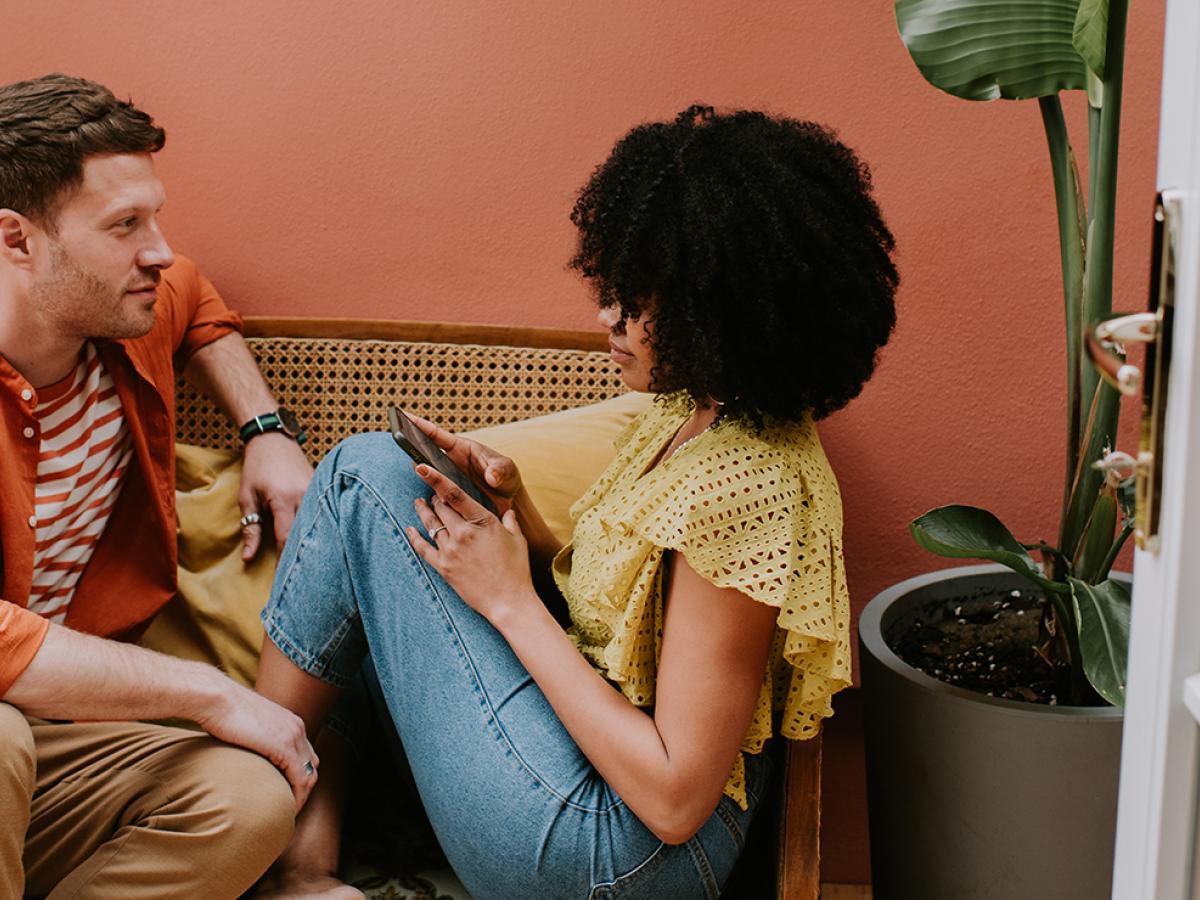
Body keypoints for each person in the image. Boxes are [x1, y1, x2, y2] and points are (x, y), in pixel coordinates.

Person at [254, 105, 898, 899]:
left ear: (719, 308)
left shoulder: (746, 484)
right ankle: (302, 869)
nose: (608, 317)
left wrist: (511, 602)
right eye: (614, 287)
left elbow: (672, 797)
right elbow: (624, 619)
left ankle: (240, 796)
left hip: (617, 857)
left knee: (358, 478)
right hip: (597, 794)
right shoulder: (691, 408)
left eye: (638, 299)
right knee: (371, 564)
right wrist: (510, 512)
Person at [0, 73, 321, 899]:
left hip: (61, 735)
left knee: (251, 799)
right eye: (124, 225)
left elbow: (199, 299)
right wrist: (209, 692)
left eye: (155, 216)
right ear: (15, 239)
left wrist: (266, 430)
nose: (159, 249)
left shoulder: (120, 310)